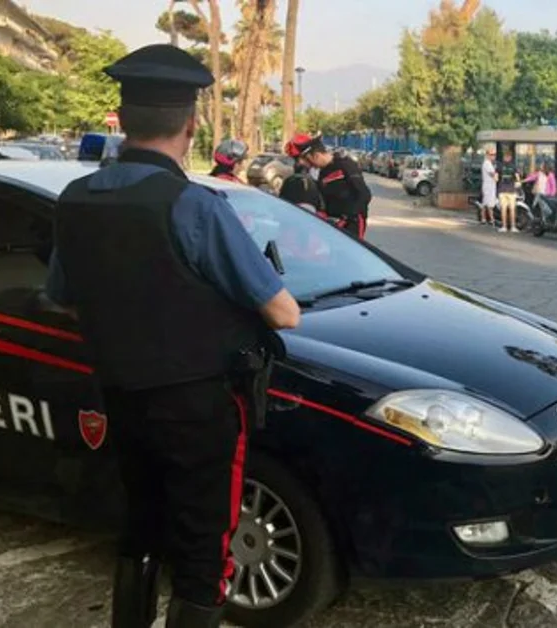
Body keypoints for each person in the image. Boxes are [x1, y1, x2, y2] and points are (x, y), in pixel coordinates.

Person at [44, 44, 301, 628]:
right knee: (205, 553)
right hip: (197, 409)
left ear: (124, 120)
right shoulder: (193, 206)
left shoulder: (74, 201)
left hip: (118, 398)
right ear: (190, 126)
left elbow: (60, 294)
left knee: (139, 529)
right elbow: (284, 314)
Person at [285, 133, 372, 240]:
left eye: (305, 160)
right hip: (332, 225)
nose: (306, 165)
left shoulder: (346, 165)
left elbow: (364, 194)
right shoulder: (321, 173)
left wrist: (348, 217)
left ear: (316, 155)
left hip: (352, 224)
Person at [497, 150, 519, 233]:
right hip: (511, 190)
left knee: (503, 209)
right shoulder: (514, 166)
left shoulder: (499, 166)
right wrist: (518, 183)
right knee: (512, 209)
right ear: (511, 157)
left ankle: (504, 226)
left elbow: (496, 177)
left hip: (502, 189)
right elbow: (517, 178)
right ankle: (513, 227)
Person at [480, 148, 498, 226]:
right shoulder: (487, 163)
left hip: (489, 185)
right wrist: (496, 176)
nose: (493, 156)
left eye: (494, 154)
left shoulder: (489, 163)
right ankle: (492, 219)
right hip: (488, 186)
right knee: (489, 203)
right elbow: (492, 174)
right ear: (487, 155)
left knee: (485, 202)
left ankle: (483, 219)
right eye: (491, 154)